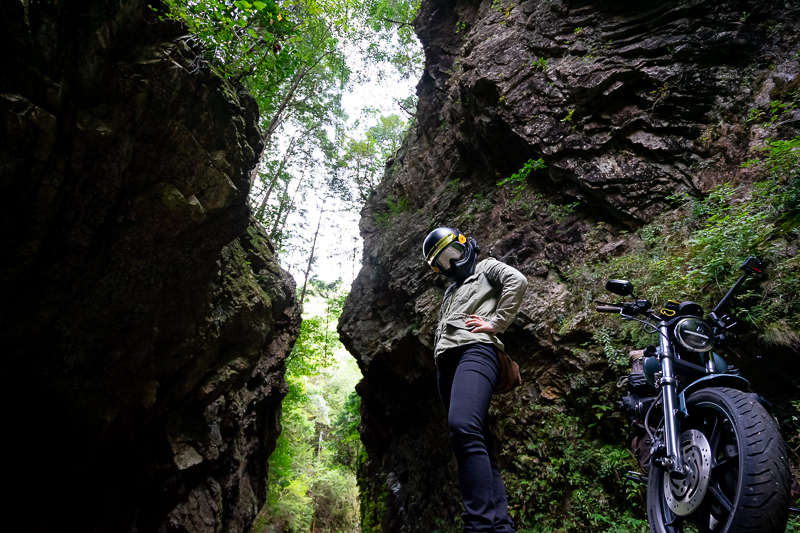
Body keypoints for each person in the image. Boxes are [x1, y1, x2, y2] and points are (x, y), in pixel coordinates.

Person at [422, 227, 528, 533]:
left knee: (463, 427)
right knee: (476, 439)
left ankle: (479, 526)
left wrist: (495, 323)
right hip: (447, 364)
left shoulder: (486, 267)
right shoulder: (450, 292)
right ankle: (500, 525)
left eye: (452, 254)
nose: (451, 264)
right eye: (442, 263)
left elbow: (516, 281)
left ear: (465, 245)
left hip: (477, 352)